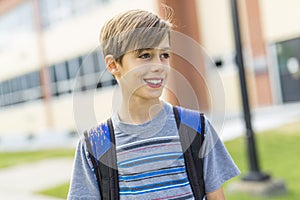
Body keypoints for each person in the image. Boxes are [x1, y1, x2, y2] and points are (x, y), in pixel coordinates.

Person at [68, 9, 240, 200]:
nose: (159, 65)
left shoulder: (195, 127)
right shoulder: (95, 144)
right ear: (113, 65)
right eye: (145, 55)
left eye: (164, 55)